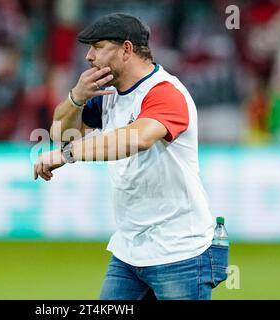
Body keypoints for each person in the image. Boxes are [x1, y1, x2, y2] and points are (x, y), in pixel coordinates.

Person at [33, 12, 228, 300]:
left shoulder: (165, 92)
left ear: (126, 49)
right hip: (130, 251)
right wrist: (77, 96)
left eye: (98, 47)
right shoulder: (110, 95)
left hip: (180, 252)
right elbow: (61, 132)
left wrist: (67, 155)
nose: (88, 56)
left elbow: (137, 137)